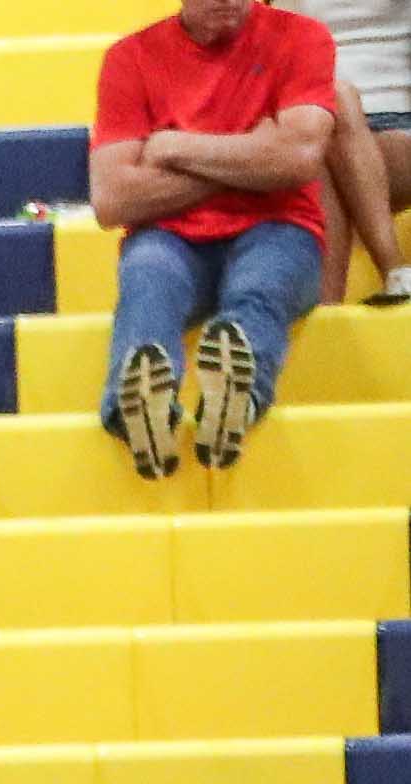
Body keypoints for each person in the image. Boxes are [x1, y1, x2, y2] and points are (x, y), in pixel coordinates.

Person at [92, 0, 342, 477]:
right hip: (171, 239)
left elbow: (299, 158)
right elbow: (112, 199)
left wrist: (175, 146)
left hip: (280, 228)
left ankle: (236, 397)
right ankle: (141, 412)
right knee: (149, 278)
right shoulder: (130, 58)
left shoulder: (303, 38)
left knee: (261, 286)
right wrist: (250, 153)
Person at [283, 0, 411, 298]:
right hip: (317, 122)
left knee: (328, 124)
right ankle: (394, 275)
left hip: (399, 123)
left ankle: (331, 309)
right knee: (325, 134)